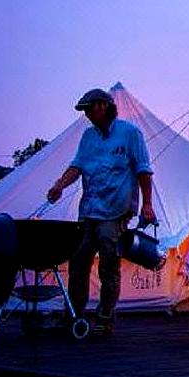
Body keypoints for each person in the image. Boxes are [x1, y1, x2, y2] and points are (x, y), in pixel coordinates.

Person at [47, 88, 156, 337]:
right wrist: (59, 185)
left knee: (108, 265)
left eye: (88, 108)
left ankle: (105, 318)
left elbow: (143, 169)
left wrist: (147, 204)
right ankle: (74, 315)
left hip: (116, 210)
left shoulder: (130, 133)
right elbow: (77, 166)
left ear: (102, 106)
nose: (86, 114)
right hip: (89, 210)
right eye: (84, 110)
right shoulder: (88, 136)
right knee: (78, 263)